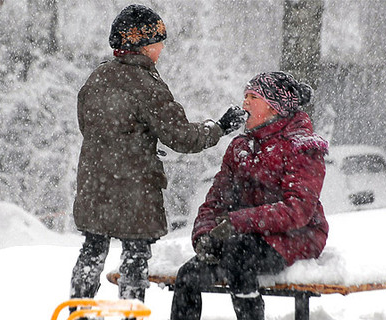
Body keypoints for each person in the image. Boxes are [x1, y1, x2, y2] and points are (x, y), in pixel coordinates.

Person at [70, 3, 246, 307]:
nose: (162, 47)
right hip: (134, 188)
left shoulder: (97, 78)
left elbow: (92, 127)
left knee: (93, 249)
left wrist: (130, 142)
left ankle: (78, 308)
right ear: (141, 43)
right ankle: (130, 311)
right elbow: (181, 137)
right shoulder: (145, 85)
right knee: (135, 257)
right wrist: (219, 127)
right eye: (158, 40)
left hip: (94, 182)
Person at [170, 72, 330, 320]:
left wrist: (238, 221)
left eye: (253, 97)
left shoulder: (301, 146)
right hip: (245, 236)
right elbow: (215, 200)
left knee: (238, 256)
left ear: (274, 107)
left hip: (297, 235)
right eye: (245, 96)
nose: (244, 103)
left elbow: (297, 210)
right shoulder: (240, 147)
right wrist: (203, 235)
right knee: (188, 275)